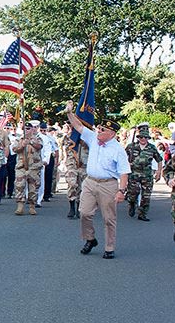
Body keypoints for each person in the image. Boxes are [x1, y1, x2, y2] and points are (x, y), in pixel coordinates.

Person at [65, 100, 130, 259]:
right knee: (84, 213)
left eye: (102, 129)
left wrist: (121, 191)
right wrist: (69, 112)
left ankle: (109, 247)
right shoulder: (93, 138)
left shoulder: (118, 150)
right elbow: (78, 126)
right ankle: (90, 238)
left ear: (112, 134)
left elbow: (124, 172)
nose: (98, 131)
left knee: (109, 218)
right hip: (90, 182)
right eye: (99, 128)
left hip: (108, 185)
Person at [125, 124, 163, 221]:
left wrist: (159, 171)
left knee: (146, 196)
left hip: (147, 175)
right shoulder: (131, 147)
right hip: (134, 174)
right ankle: (132, 204)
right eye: (141, 137)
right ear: (138, 137)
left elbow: (159, 160)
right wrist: (126, 165)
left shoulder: (152, 148)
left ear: (148, 138)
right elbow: (123, 158)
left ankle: (142, 214)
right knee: (133, 193)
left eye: (145, 137)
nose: (143, 139)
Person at [13, 121, 43, 216]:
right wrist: (22, 145)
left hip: (33, 167)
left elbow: (39, 146)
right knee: (19, 186)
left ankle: (32, 206)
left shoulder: (37, 138)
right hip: (21, 166)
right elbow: (14, 149)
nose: (27, 130)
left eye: (29, 128)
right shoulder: (19, 139)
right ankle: (20, 205)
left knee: (33, 188)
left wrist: (30, 142)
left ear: (32, 129)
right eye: (25, 129)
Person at [63, 135, 89, 219]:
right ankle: (72, 207)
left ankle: (79, 207)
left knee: (82, 187)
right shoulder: (69, 137)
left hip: (84, 164)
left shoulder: (89, 136)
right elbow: (67, 149)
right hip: (72, 164)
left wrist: (85, 143)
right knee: (72, 184)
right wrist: (75, 141)